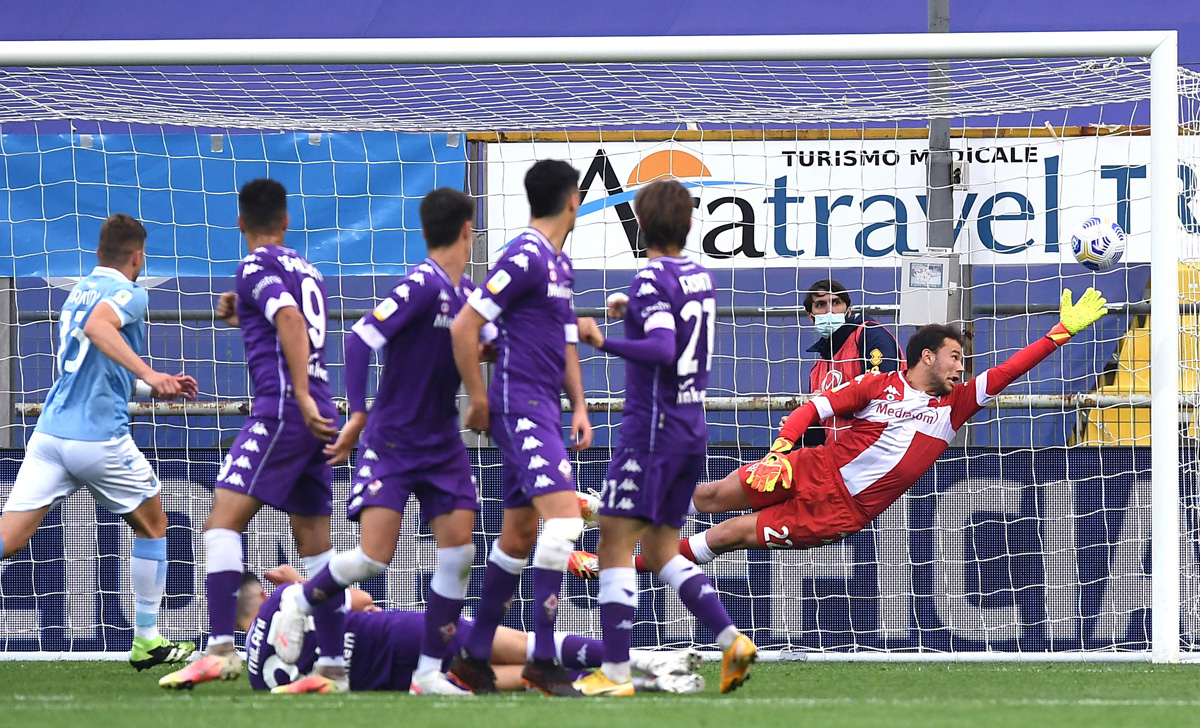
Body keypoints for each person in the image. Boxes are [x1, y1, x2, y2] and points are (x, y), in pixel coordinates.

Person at [569, 288, 1107, 569]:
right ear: (927, 355)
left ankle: (608, 563)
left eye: (963, 360)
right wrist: (781, 447)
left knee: (727, 534)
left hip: (838, 511)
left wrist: (1059, 333)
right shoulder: (879, 385)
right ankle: (604, 509)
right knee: (708, 497)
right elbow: (811, 410)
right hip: (809, 465)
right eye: (954, 357)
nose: (961, 367)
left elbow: (1009, 370)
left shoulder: (956, 406)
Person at [272, 188, 488, 696]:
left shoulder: (468, 295)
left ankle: (428, 673)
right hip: (393, 442)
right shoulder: (420, 284)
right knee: (374, 558)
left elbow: (476, 346)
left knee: (459, 554)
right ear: (465, 231)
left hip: (443, 446)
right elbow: (359, 337)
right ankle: (299, 602)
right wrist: (360, 413)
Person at [570, 179, 756, 697]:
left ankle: (615, 673)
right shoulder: (699, 274)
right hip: (690, 426)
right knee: (659, 551)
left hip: (653, 430)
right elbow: (673, 320)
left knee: (611, 542)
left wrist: (602, 339)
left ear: (639, 225)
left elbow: (662, 348)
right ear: (691, 223)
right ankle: (731, 639)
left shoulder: (651, 276)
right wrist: (630, 307)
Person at [160, 179, 340, 689]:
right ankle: (331, 665)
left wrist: (299, 394)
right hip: (317, 413)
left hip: (284, 410)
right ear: (286, 222)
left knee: (221, 523)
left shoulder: (255, 266)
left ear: (240, 222)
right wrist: (241, 307)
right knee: (317, 548)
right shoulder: (308, 269)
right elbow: (288, 312)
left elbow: (286, 316)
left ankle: (220, 648)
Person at [0, 213, 198, 670]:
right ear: (137, 256)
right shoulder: (130, 292)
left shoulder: (78, 292)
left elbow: (96, 366)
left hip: (49, 435)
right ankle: (147, 639)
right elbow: (99, 330)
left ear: (96, 254)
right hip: (98, 439)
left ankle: (149, 639)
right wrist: (151, 372)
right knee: (153, 524)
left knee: (8, 539)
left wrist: (152, 386)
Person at [447, 159, 593, 697]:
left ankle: (472, 656)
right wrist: (479, 397)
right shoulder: (525, 255)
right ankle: (544, 658)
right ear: (572, 200)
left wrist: (578, 406)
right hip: (519, 408)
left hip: (545, 409)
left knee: (518, 537)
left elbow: (564, 341)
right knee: (564, 522)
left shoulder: (559, 263)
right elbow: (466, 322)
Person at [240, 565, 704, 695]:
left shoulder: (258, 677)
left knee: (515, 678)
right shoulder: (285, 600)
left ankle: (648, 684)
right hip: (399, 634)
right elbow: (361, 601)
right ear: (258, 594)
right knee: (527, 647)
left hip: (386, 682)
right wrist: (302, 582)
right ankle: (641, 661)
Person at [800, 278, 903, 446]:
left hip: (880, 451)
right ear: (811, 317)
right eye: (820, 305)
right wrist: (800, 426)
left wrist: (830, 401)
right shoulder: (818, 368)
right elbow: (822, 429)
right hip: (839, 459)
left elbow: (883, 397)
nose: (829, 311)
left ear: (848, 311)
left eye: (836, 303)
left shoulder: (870, 335)